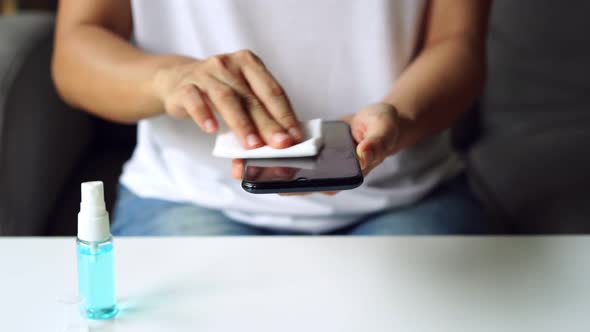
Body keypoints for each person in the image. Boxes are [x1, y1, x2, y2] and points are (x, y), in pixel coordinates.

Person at [52, 0, 492, 235]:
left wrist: (399, 117)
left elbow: (458, 41)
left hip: (407, 192)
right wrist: (170, 80)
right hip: (187, 194)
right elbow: (76, 48)